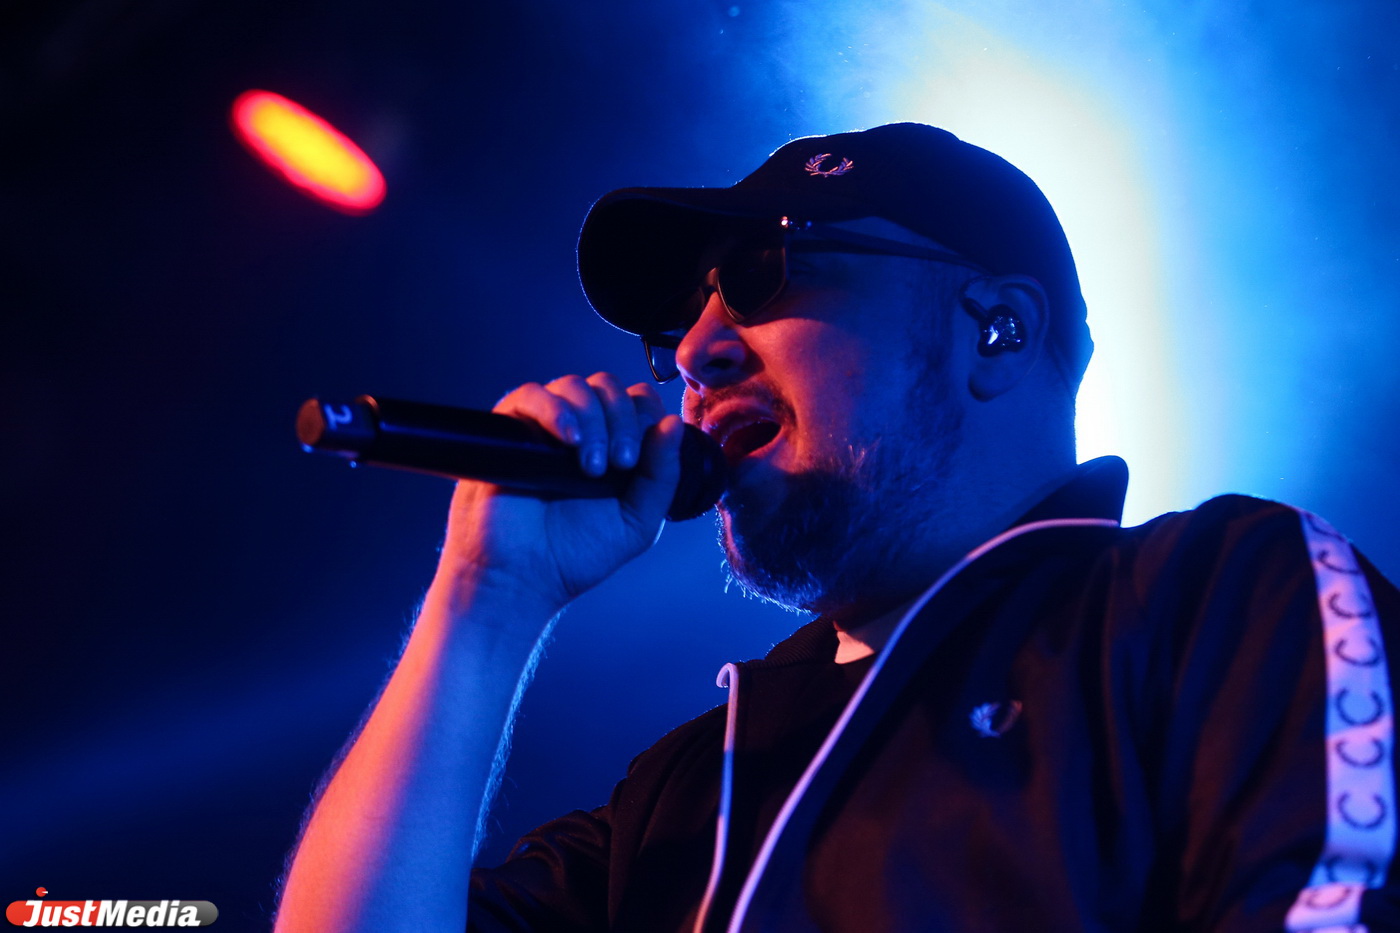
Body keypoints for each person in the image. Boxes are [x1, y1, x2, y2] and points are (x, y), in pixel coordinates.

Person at [273, 123, 1400, 932]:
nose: (696, 352)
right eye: (678, 324)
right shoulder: (688, 787)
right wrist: (487, 601)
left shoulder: (1213, 599)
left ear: (996, 331)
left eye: (764, 272)